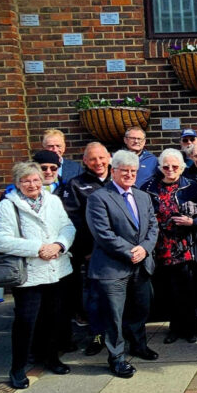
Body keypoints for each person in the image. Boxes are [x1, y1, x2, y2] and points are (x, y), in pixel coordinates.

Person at [0, 162, 76, 389]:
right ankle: (18, 368)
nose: (32, 184)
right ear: (18, 183)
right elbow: (0, 239)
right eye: (26, 180)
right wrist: (38, 248)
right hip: (29, 275)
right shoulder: (8, 206)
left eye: (36, 179)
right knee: (26, 322)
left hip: (57, 270)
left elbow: (68, 227)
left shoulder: (53, 201)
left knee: (54, 318)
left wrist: (58, 245)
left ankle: (51, 358)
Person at [86, 150, 159, 378]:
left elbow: (153, 227)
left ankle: (138, 345)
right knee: (114, 316)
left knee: (140, 308)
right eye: (124, 170)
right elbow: (103, 233)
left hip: (141, 265)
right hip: (112, 267)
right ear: (113, 171)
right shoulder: (99, 197)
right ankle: (116, 358)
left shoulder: (142, 196)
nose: (129, 174)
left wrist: (145, 249)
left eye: (133, 171)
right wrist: (130, 251)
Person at [142, 149, 197, 344]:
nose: (170, 169)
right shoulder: (149, 187)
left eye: (175, 166)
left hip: (185, 246)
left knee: (188, 290)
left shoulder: (192, 187)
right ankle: (174, 328)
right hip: (160, 247)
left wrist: (193, 222)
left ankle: (192, 328)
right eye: (166, 166)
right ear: (160, 167)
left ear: (182, 167)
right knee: (168, 291)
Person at [57, 143, 112, 356]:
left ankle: (123, 334)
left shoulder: (117, 181)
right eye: (92, 159)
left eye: (101, 157)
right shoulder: (76, 185)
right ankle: (97, 335)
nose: (98, 163)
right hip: (93, 254)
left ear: (109, 157)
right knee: (95, 297)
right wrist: (86, 251)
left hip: (118, 253)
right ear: (85, 161)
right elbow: (73, 222)